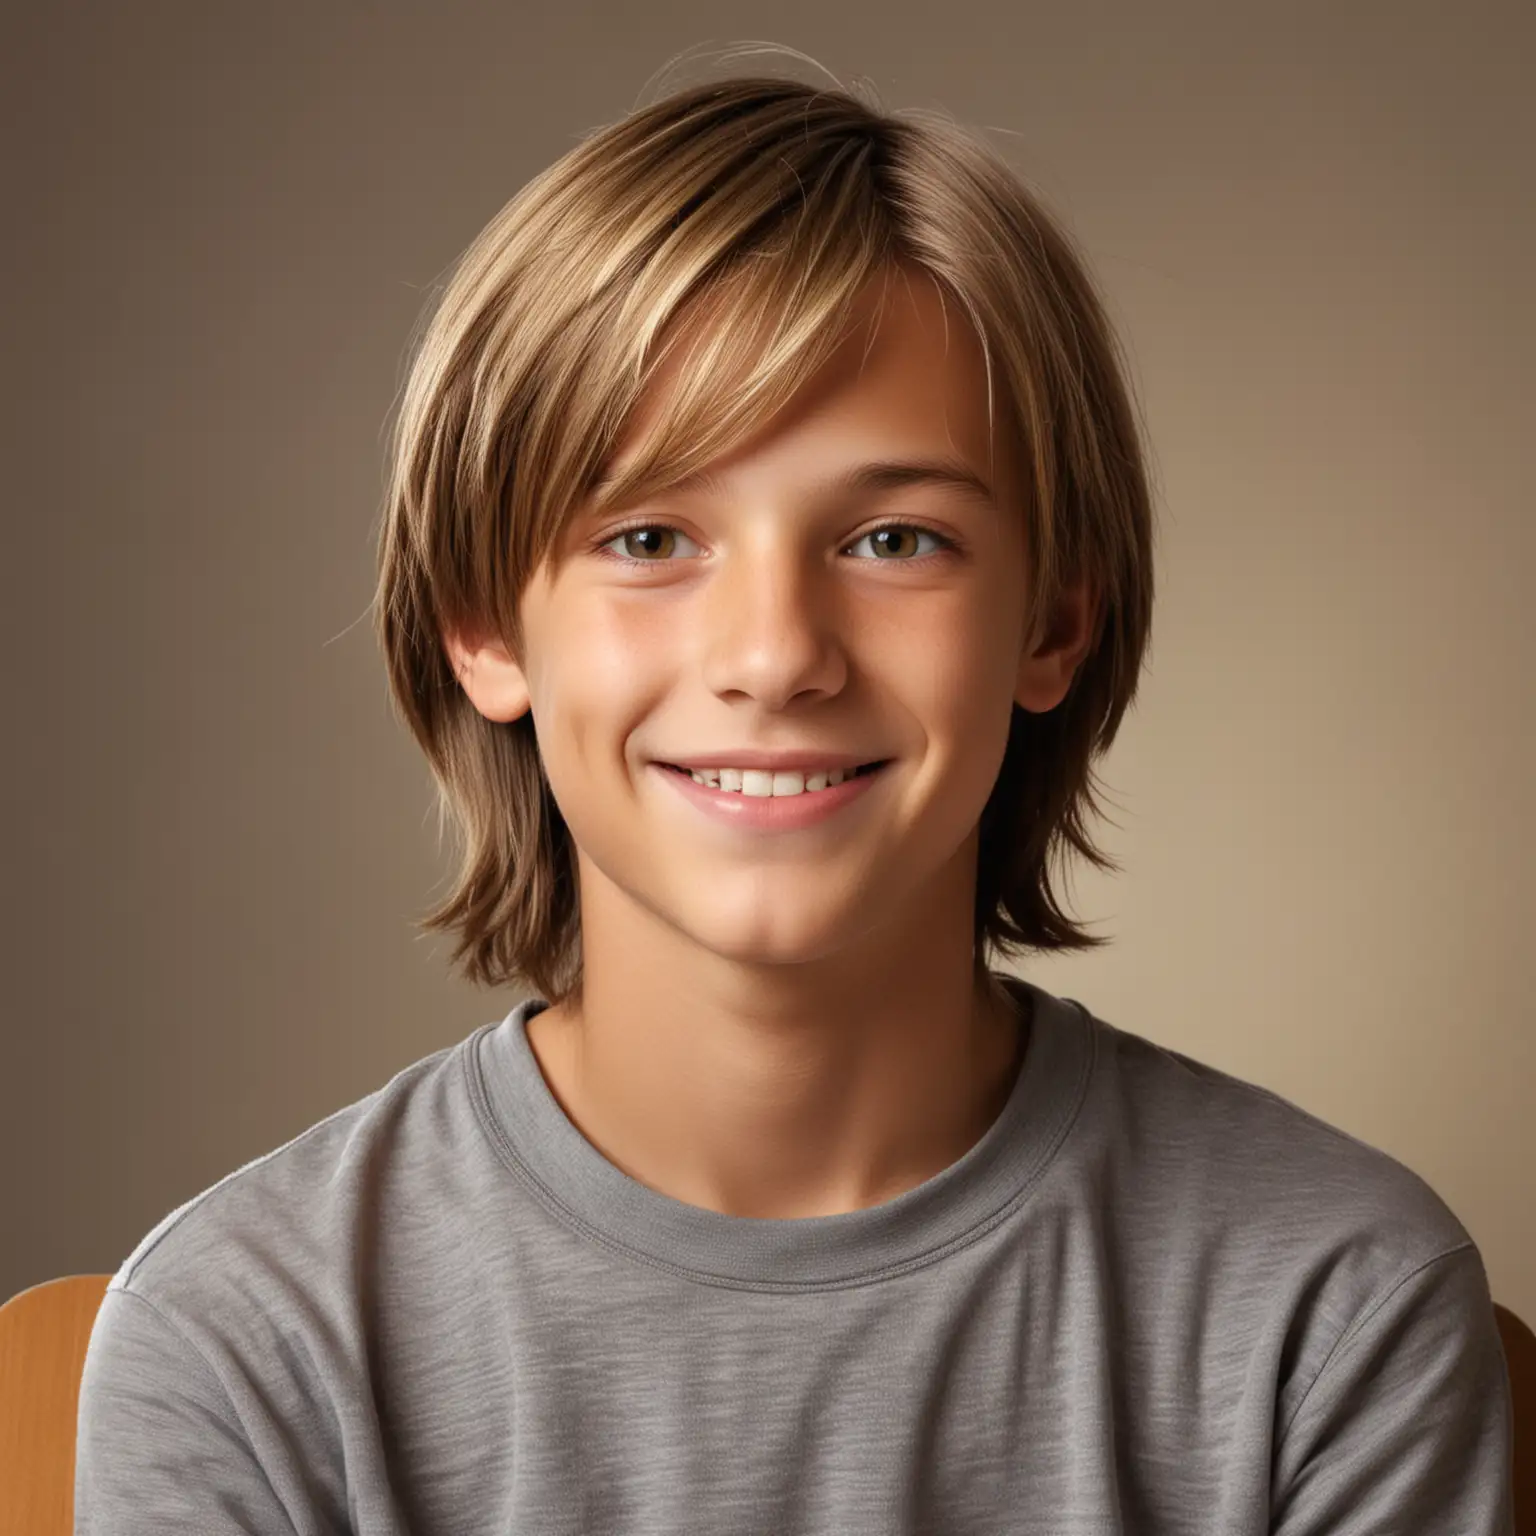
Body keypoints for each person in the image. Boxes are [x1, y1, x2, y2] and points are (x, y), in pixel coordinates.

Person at [75, 73, 1513, 1533]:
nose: (774, 655)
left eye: (897, 538)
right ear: (484, 627)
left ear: (1054, 624)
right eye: (648, 535)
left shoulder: (1332, 1314)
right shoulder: (248, 1343)